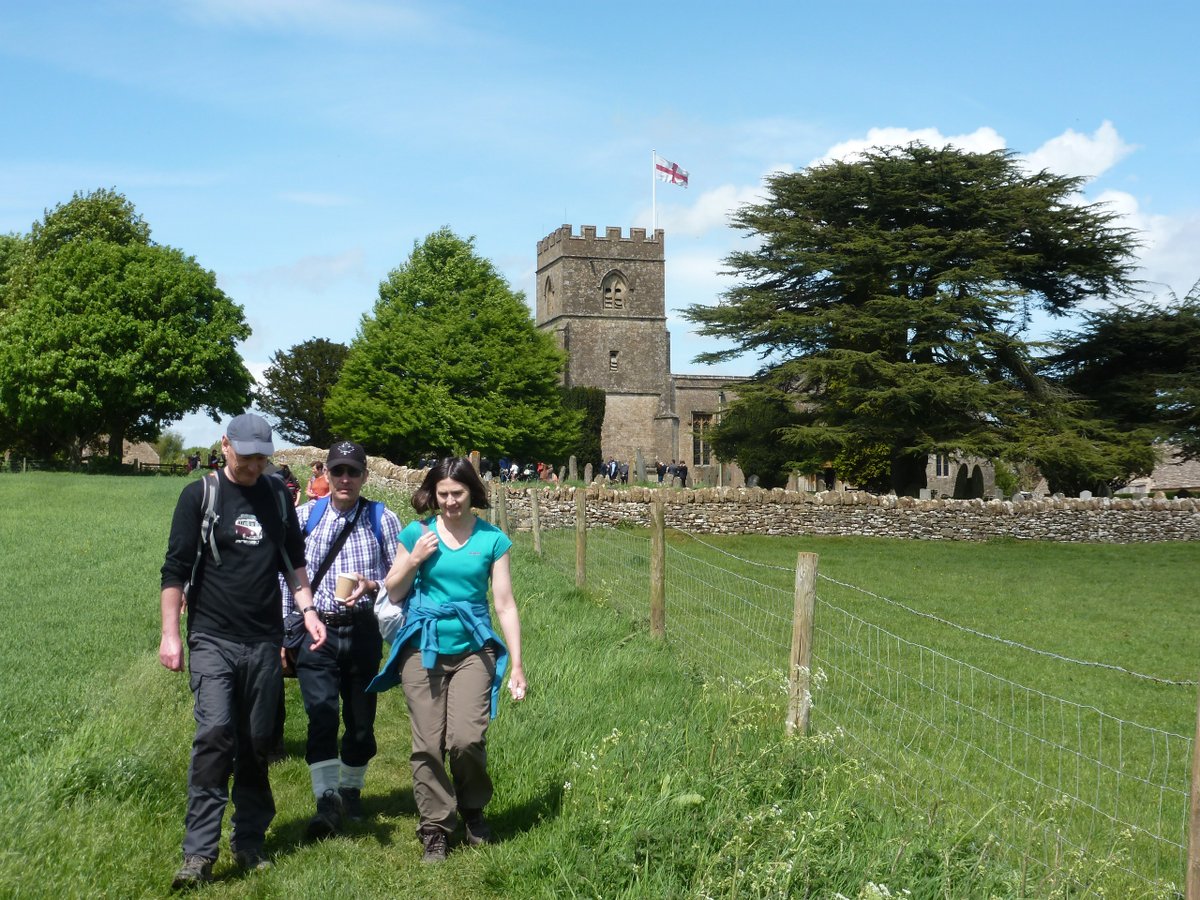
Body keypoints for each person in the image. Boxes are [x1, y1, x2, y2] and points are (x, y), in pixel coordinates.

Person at [159, 413, 326, 889]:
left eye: (262, 458)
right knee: (215, 735)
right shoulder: (200, 496)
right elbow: (175, 570)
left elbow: (293, 559)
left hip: (263, 640)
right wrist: (171, 634)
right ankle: (198, 854)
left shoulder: (276, 496)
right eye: (247, 456)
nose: (255, 466)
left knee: (256, 744)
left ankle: (250, 840)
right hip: (212, 636)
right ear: (225, 446)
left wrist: (308, 610)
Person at [368, 457, 527, 863]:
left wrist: (518, 665)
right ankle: (435, 827)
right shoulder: (417, 533)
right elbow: (393, 589)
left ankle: (472, 808)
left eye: (458, 493)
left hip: (474, 649)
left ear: (472, 492)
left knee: (465, 739)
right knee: (427, 743)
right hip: (422, 646)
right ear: (433, 494)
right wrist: (413, 559)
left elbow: (505, 604)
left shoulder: (493, 540)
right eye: (443, 494)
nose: (451, 501)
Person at [281, 441, 402, 839]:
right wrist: (285, 628)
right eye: (338, 471)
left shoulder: (382, 518)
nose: (345, 478)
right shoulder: (304, 517)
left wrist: (374, 585)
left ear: (365, 475)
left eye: (352, 471)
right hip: (316, 630)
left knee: (361, 724)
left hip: (363, 630)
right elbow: (286, 573)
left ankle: (350, 789)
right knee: (321, 715)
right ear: (326, 475)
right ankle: (326, 798)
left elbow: (402, 577)